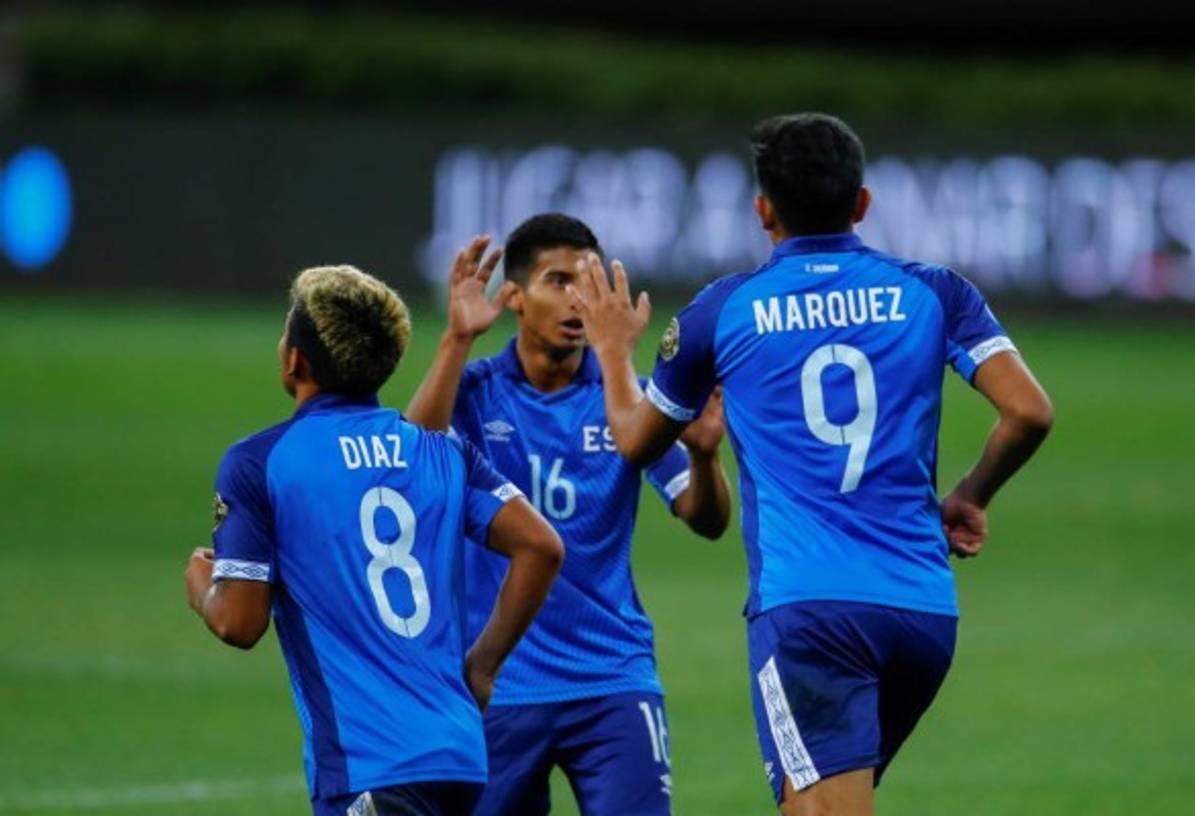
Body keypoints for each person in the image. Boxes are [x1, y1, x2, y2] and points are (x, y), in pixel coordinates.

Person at [570, 113, 1054, 816]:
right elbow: (1030, 411)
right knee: (810, 803)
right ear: (862, 203)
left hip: (810, 611)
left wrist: (614, 353)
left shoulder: (723, 311)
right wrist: (972, 493)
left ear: (763, 210)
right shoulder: (933, 292)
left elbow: (637, 443)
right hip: (922, 610)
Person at [184, 265, 563, 816]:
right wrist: (482, 666)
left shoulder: (260, 462)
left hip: (369, 766)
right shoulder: (440, 452)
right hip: (459, 759)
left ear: (295, 359)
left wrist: (202, 586)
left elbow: (238, 622)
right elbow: (541, 545)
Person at [405, 214, 732, 816]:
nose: (578, 299)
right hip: (499, 680)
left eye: (589, 283)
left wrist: (708, 460)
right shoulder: (475, 394)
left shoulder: (627, 400)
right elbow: (413, 460)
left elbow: (705, 517)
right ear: (515, 299)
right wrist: (456, 339)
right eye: (558, 282)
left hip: (613, 676)